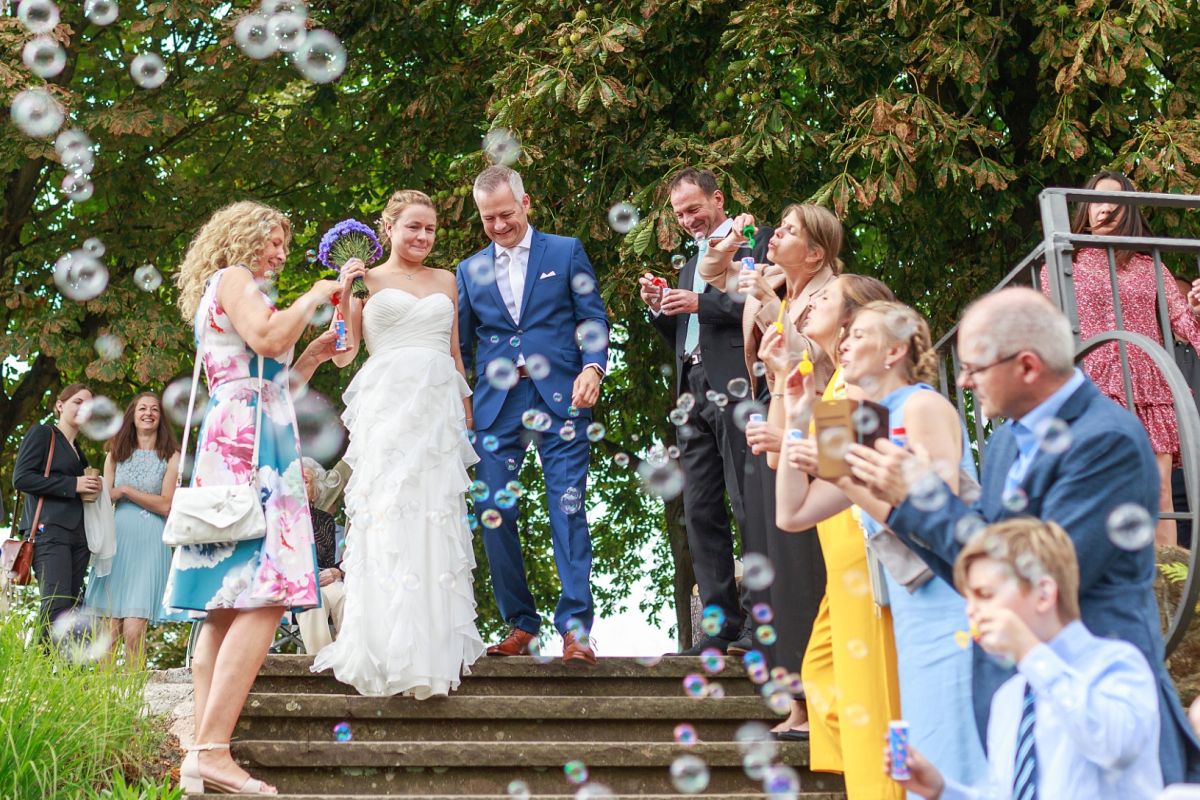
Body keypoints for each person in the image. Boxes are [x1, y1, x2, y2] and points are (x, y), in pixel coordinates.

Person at [847, 287, 1200, 784]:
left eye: (974, 367)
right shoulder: (1008, 440)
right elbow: (981, 568)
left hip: (1099, 708)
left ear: (1028, 367)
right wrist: (901, 503)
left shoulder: (1106, 442)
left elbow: (1037, 580)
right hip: (1024, 705)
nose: (964, 380)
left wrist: (926, 498)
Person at [167, 200, 342, 795]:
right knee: (268, 595)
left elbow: (275, 378)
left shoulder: (230, 291)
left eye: (285, 248)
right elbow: (268, 336)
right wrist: (314, 295)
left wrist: (316, 351)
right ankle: (213, 749)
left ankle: (200, 751)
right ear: (241, 237)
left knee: (225, 600)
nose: (280, 254)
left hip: (243, 427)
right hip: (250, 442)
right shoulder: (235, 279)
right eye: (273, 242)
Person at [778, 300, 987, 790]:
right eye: (844, 335)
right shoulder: (848, 417)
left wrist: (848, 477)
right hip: (906, 605)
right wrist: (796, 418)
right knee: (927, 743)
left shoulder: (922, 404)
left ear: (895, 349)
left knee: (954, 743)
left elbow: (934, 518)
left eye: (860, 335)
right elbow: (793, 513)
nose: (845, 344)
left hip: (949, 597)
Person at [312, 189, 485, 697]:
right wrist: (344, 295)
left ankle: (431, 651)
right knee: (388, 513)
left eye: (430, 229)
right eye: (414, 227)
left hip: (435, 415)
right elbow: (343, 356)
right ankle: (384, 642)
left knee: (435, 517)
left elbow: (454, 353)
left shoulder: (447, 281)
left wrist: (466, 416)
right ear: (389, 228)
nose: (424, 237)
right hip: (387, 410)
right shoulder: (367, 281)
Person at [887, 517, 1163, 799]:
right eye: (968, 600)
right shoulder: (1009, 697)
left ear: (1043, 593)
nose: (971, 611)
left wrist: (1031, 651)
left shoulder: (1115, 664)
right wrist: (943, 790)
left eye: (985, 594)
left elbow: (1114, 745)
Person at [696, 203, 841, 738]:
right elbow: (711, 274)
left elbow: (814, 360)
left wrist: (766, 304)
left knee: (805, 567)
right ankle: (797, 702)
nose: (776, 234)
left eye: (790, 231)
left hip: (815, 432)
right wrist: (730, 245)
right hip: (773, 427)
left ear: (817, 252)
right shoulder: (779, 282)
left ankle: (820, 700)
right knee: (776, 563)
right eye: (777, 227)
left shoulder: (833, 295)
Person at [456, 166, 610, 666]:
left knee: (567, 506)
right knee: (492, 513)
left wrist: (593, 367)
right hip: (497, 409)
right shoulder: (468, 270)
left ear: (526, 203)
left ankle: (576, 630)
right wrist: (461, 407)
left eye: (505, 214)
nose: (498, 225)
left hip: (563, 396)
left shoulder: (565, 251)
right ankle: (520, 622)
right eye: (487, 219)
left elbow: (592, 315)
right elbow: (460, 346)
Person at [766, 275, 902, 795]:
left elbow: (852, 478)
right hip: (844, 564)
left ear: (855, 319)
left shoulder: (859, 386)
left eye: (825, 296)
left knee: (871, 701)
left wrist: (799, 437)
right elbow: (790, 482)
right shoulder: (839, 384)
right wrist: (787, 393)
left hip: (866, 562)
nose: (812, 299)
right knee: (824, 679)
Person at [637, 167, 770, 654]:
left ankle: (761, 622)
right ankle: (719, 625)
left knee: (746, 500)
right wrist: (661, 307)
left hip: (736, 385)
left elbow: (763, 305)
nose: (688, 219)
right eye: (679, 213)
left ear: (718, 198)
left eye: (694, 208)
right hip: (690, 390)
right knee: (699, 510)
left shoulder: (754, 239)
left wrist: (700, 302)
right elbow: (684, 332)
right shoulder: (687, 262)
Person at [1042, 171, 1200, 546]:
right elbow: (1049, 333)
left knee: (1159, 493)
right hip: (1095, 386)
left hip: (1150, 386)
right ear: (1085, 209)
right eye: (1097, 200)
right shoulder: (1065, 264)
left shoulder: (1152, 266)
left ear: (1129, 211)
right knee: (1111, 491)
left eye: (1116, 200)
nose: (1106, 207)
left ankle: (1166, 589)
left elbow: (1185, 326)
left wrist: (1196, 310)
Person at [83, 391, 182, 666]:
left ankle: (134, 699)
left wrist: (125, 490)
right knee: (110, 632)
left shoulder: (172, 456)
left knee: (134, 631)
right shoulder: (115, 452)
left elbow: (166, 505)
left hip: (151, 541)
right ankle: (104, 704)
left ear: (160, 418)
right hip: (117, 540)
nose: (148, 412)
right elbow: (105, 498)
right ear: (133, 415)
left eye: (154, 409)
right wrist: (112, 493)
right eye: (142, 408)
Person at [13, 383, 101, 636]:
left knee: (72, 606)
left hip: (78, 536)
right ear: (60, 405)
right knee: (56, 602)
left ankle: (64, 671)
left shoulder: (79, 454)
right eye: (77, 401)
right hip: (49, 530)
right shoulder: (43, 434)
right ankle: (40, 667)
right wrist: (73, 484)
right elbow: (21, 478)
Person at [294, 457, 345, 655]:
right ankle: (322, 662)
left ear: (314, 492)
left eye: (305, 481)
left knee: (347, 595)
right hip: (295, 580)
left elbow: (328, 560)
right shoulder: (279, 517)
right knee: (314, 601)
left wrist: (335, 571)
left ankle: (347, 657)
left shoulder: (325, 521)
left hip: (324, 577)